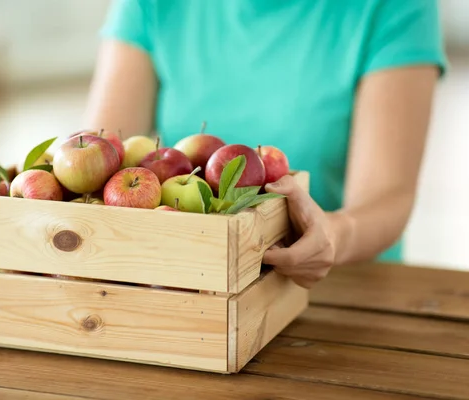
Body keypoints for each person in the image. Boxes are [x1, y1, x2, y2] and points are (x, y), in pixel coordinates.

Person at [82, 0, 447, 289]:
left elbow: (387, 196)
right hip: (188, 284)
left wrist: (332, 236)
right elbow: (100, 159)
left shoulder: (394, 4)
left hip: (345, 290)